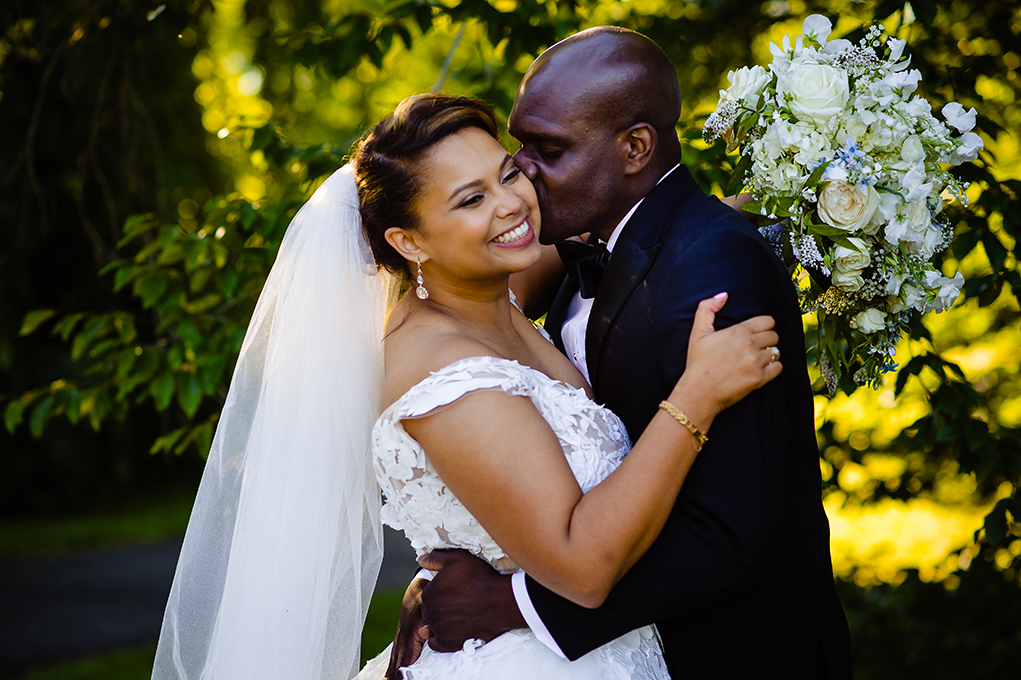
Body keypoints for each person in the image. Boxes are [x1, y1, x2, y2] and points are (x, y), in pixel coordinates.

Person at [151, 92, 780, 680]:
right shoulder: (447, 377)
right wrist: (694, 399)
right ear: (408, 241)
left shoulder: (493, 290)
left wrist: (784, 186)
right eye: (469, 199)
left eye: (508, 173)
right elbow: (583, 569)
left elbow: (630, 230)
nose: (509, 204)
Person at [391, 27, 854, 680]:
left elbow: (729, 535)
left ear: (635, 147)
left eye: (544, 150)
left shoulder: (709, 271)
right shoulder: (576, 247)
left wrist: (511, 601)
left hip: (733, 654)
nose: (521, 174)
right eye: (517, 148)